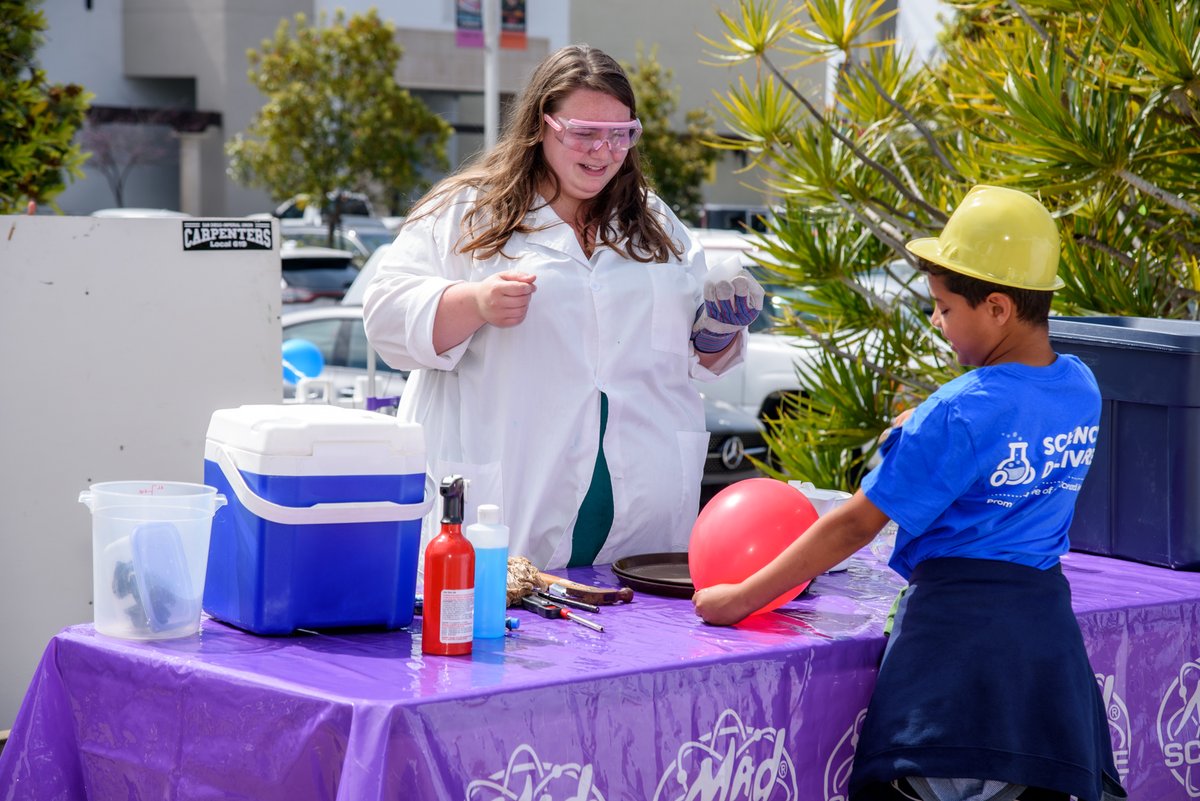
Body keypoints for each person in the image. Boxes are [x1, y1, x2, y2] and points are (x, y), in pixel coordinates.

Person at [693, 185, 1127, 801]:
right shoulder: (1080, 385)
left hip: (955, 656)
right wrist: (926, 430)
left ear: (999, 308)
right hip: (1045, 652)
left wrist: (740, 598)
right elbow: (1011, 434)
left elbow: (854, 525)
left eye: (945, 308)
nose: (937, 321)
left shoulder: (954, 415)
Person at [363, 44, 763, 569]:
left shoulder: (656, 226)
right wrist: (474, 302)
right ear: (541, 125)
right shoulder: (466, 211)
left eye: (621, 134)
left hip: (645, 511)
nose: (603, 150)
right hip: (510, 500)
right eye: (584, 132)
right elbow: (387, 318)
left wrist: (717, 330)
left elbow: (695, 358)